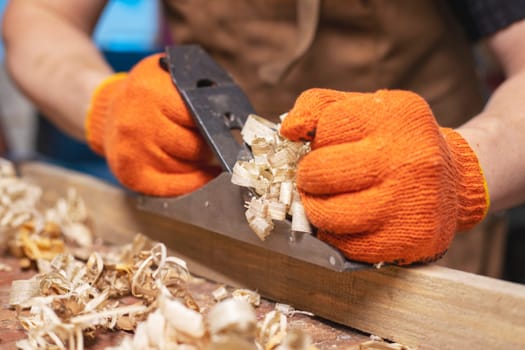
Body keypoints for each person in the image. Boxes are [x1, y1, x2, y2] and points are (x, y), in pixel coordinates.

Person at [2, 1, 525, 268]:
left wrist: (465, 167)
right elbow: (38, 17)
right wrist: (105, 105)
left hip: (415, 219)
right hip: (206, 232)